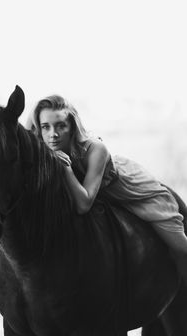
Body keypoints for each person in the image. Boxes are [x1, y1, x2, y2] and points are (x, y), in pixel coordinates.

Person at [27, 94, 187, 283]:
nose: (53, 134)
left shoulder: (95, 149)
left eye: (61, 125)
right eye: (46, 127)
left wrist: (65, 168)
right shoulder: (43, 147)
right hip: (96, 194)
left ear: (72, 127)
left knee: (180, 247)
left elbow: (83, 204)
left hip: (128, 189)